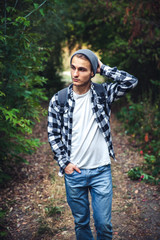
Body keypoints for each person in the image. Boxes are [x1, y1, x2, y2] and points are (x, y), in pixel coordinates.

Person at [47, 49, 138, 240]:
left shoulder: (103, 94)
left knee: (103, 225)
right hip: (74, 173)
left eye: (82, 69)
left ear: (92, 73)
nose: (75, 74)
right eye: (73, 68)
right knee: (81, 223)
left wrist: (103, 67)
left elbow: (130, 81)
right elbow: (53, 134)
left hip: (100, 171)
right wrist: (65, 164)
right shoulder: (59, 99)